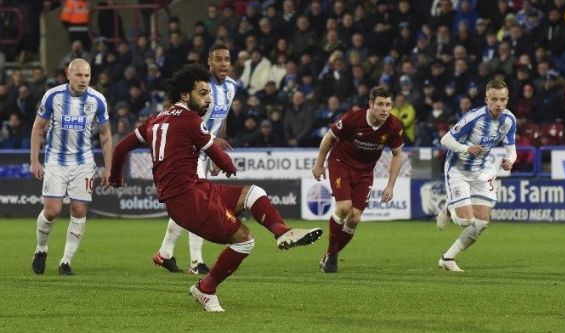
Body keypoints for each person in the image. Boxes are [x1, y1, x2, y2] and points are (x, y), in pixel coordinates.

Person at [110, 64, 322, 312]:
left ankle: (282, 231)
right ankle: (205, 289)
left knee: (253, 193)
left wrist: (115, 177)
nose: (208, 99)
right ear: (185, 95)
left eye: (209, 93)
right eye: (202, 93)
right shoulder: (190, 120)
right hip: (187, 199)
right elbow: (216, 153)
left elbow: (122, 147)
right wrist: (228, 165)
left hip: (196, 188)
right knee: (244, 241)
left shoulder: (154, 120)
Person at [153, 44, 238, 275]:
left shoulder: (231, 87)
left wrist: (217, 145)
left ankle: (166, 253)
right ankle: (194, 262)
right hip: (188, 151)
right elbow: (177, 115)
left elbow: (223, 117)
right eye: (218, 59)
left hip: (205, 150)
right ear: (209, 63)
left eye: (227, 59)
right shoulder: (197, 87)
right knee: (196, 204)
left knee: (191, 205)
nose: (223, 64)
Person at [29, 58, 113, 276]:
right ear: (68, 74)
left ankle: (65, 262)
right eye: (79, 75)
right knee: (52, 211)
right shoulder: (53, 96)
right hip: (56, 160)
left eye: (87, 76)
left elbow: (105, 135)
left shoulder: (97, 100)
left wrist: (108, 167)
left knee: (78, 209)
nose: (83, 80)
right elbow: (38, 128)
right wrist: (34, 160)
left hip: (83, 162)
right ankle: (41, 249)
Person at [312, 86, 404, 273]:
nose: (385, 109)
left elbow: (397, 155)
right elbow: (330, 138)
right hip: (341, 164)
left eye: (388, 105)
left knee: (355, 218)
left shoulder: (393, 125)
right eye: (380, 104)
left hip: (365, 172)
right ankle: (332, 256)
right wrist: (319, 163)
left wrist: (390, 186)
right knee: (344, 207)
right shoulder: (353, 118)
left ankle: (329, 256)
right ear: (370, 104)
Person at [435, 80, 517, 272]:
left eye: (503, 99)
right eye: (494, 99)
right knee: (465, 221)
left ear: (507, 100)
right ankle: (449, 207)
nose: (499, 104)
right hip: (458, 169)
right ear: (486, 99)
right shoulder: (474, 117)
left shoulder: (509, 120)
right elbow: (445, 139)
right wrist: (466, 148)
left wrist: (510, 160)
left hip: (482, 170)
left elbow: (512, 150)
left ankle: (448, 258)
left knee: (481, 222)